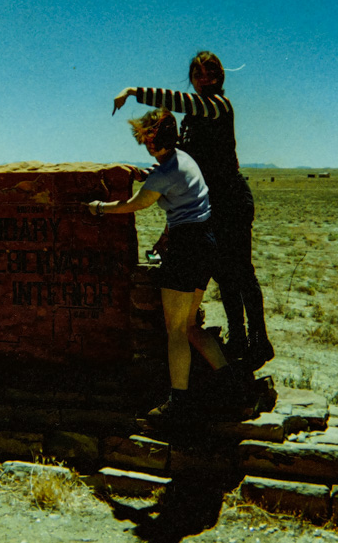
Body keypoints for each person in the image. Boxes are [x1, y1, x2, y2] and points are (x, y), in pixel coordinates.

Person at [112, 51, 274, 372]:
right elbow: (180, 166)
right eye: (197, 73)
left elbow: (182, 102)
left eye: (209, 72)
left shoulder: (217, 107)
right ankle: (238, 339)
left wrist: (133, 93)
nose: (203, 78)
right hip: (209, 203)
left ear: (219, 76)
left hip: (232, 199)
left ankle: (260, 341)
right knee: (223, 275)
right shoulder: (189, 123)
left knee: (241, 271)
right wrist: (148, 175)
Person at [86, 108, 245, 424]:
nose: (144, 143)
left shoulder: (165, 172)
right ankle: (232, 387)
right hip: (205, 242)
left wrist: (100, 208)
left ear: (151, 139)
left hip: (187, 248)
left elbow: (137, 204)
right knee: (188, 327)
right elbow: (175, 189)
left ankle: (179, 402)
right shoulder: (181, 159)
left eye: (146, 137)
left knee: (175, 331)